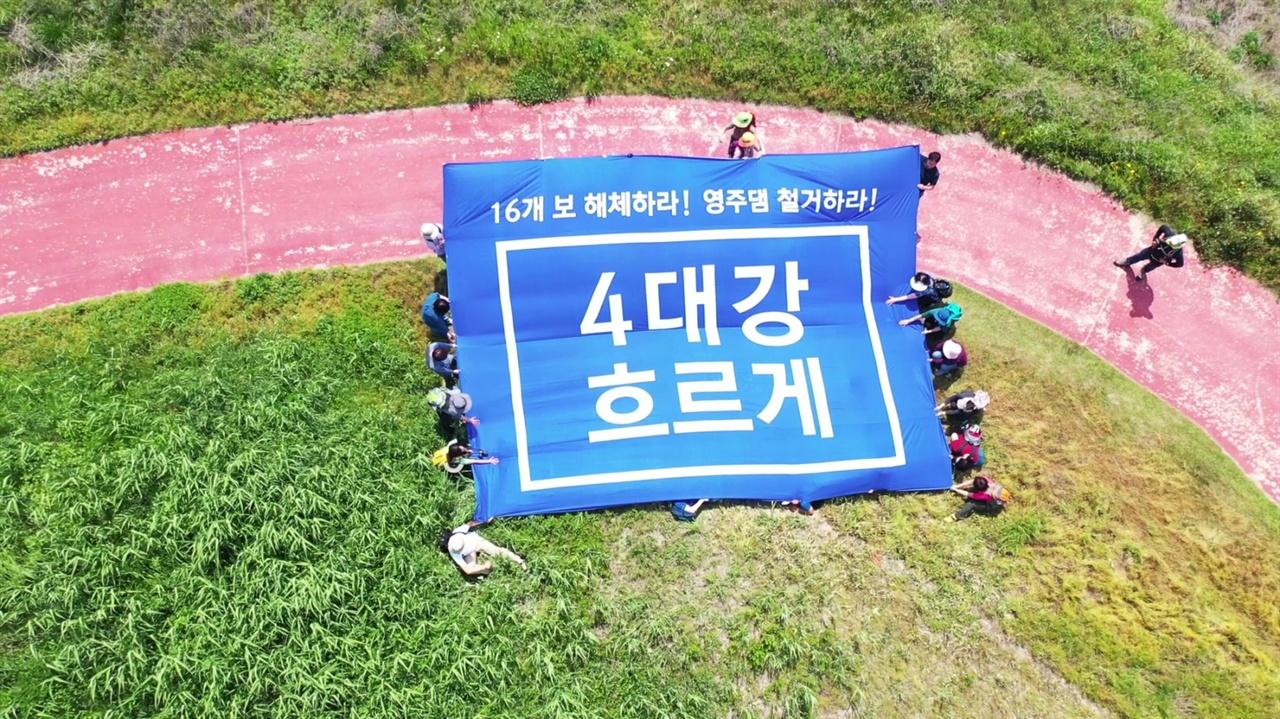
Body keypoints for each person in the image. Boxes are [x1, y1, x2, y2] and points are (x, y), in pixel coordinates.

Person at [444, 520, 526, 576]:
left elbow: (470, 523)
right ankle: (490, 569)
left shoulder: (458, 532)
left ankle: (519, 560)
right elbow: (467, 571)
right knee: (473, 568)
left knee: (497, 551)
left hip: (478, 542)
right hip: (469, 553)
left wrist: (485, 520)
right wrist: (484, 567)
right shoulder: (453, 551)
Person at [1113, 225, 1187, 281]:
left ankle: (1143, 271)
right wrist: (1154, 240)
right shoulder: (1169, 235)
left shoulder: (1178, 253)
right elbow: (1163, 227)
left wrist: (1167, 263)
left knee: (1149, 268)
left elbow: (1180, 264)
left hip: (1158, 261)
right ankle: (1127, 261)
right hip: (1151, 251)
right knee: (1138, 256)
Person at [946, 476, 1010, 521]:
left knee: (971, 504)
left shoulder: (984, 495)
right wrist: (957, 486)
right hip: (997, 497)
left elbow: (968, 494)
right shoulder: (986, 481)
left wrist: (955, 489)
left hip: (990, 505)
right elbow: (971, 481)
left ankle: (957, 516)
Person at [887, 272, 951, 312]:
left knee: (923, 301)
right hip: (935, 293)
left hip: (934, 298)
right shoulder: (928, 276)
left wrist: (895, 299)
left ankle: (926, 305)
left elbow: (909, 297)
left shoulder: (926, 291)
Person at [433, 438, 499, 474]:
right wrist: (489, 461)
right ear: (458, 455)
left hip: (440, 454)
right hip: (442, 461)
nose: (464, 449)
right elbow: (473, 461)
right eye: (462, 450)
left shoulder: (451, 445)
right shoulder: (456, 460)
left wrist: (467, 450)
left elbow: (456, 440)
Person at [899, 302, 963, 334]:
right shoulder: (934, 311)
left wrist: (928, 331)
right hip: (940, 315)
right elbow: (921, 315)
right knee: (927, 324)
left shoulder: (948, 323)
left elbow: (939, 328)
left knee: (938, 335)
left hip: (948, 320)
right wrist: (909, 320)